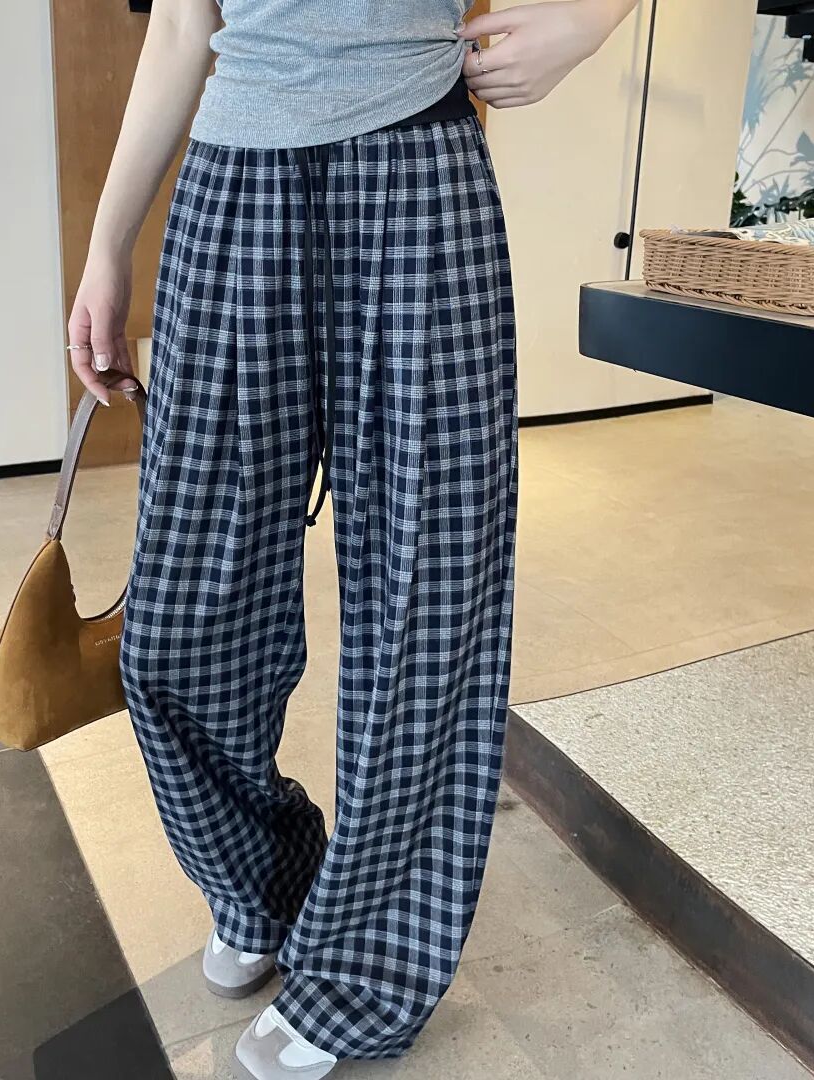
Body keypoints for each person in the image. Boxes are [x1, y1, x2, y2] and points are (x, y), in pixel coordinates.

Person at [68, 2, 638, 1077]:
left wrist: (593, 18)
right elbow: (183, 24)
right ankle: (264, 878)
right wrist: (106, 248)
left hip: (419, 174)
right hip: (230, 192)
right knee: (179, 624)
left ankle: (368, 963)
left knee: (428, 596)